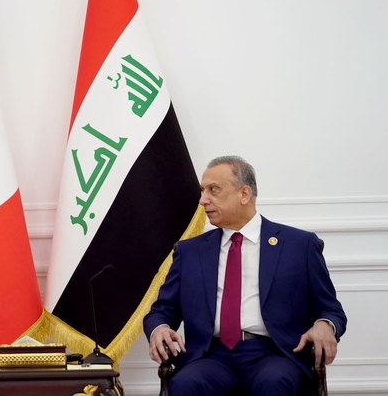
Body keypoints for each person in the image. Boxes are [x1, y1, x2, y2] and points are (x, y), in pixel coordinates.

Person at [143, 156, 347, 395]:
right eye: (203, 190)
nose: (203, 200)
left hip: (274, 353)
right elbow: (161, 311)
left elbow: (331, 309)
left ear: (244, 194)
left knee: (274, 381)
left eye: (213, 190)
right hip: (211, 355)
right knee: (187, 384)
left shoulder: (299, 245)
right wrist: (159, 329)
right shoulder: (190, 251)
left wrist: (325, 325)